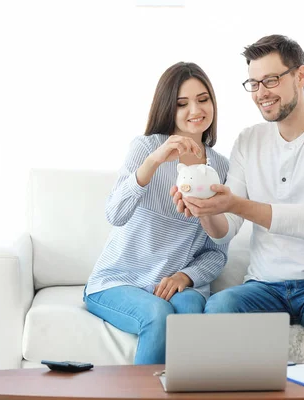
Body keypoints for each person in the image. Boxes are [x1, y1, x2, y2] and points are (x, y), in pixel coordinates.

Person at [172, 35, 304, 364]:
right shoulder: (249, 140)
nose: (262, 92)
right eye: (254, 83)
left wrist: (232, 203)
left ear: (301, 76)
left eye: (271, 80)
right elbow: (226, 228)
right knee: (220, 306)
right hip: (266, 285)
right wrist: (205, 209)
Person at [84, 62, 229, 365]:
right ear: (168, 107)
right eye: (182, 103)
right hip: (118, 280)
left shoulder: (222, 167)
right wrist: (153, 162)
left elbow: (216, 252)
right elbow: (115, 214)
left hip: (173, 283)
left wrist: (186, 275)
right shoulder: (145, 148)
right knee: (157, 314)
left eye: (203, 99)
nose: (195, 110)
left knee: (191, 310)